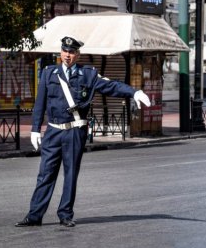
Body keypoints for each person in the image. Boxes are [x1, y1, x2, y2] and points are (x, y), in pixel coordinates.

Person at [15, 36, 151, 228]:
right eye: (64, 51)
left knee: (70, 174)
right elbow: (40, 103)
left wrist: (134, 92)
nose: (67, 55)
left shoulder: (88, 75)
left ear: (78, 54)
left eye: (71, 52)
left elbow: (111, 86)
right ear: (60, 52)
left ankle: (65, 214)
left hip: (75, 131)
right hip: (53, 131)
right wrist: (35, 129)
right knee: (45, 174)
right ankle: (34, 215)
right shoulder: (48, 73)